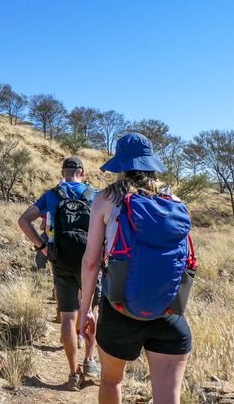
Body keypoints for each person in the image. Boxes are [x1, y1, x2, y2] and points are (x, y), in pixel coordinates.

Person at [79, 133, 193, 404]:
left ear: (121, 165)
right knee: (169, 397)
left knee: (110, 380)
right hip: (169, 312)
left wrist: (86, 310)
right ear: (151, 163)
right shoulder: (175, 201)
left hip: (119, 309)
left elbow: (92, 260)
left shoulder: (107, 199)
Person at [18, 156, 101, 390]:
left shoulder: (51, 195)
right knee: (91, 312)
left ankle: (73, 373)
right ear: (82, 173)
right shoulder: (96, 195)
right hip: (91, 262)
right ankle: (89, 360)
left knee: (68, 317)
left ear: (63, 172)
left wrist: (42, 248)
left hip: (61, 260)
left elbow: (23, 220)